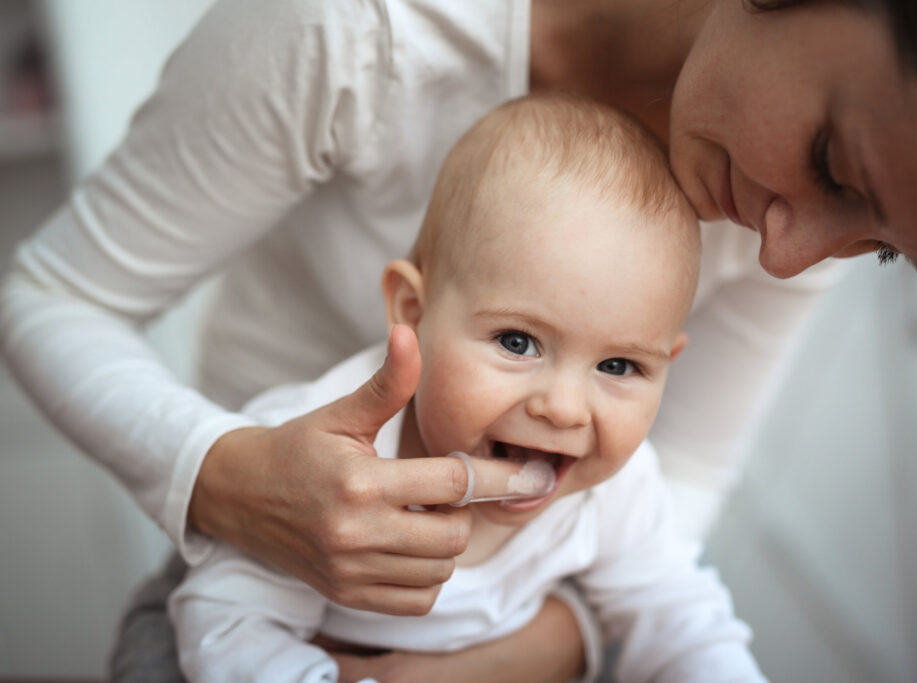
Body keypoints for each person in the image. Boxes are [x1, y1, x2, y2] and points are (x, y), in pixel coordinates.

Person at [0, 0, 917, 679]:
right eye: (836, 166)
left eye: (883, 249)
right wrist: (222, 475)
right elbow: (51, 296)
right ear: (406, 307)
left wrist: (538, 647)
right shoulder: (354, 30)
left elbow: (674, 551)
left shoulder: (608, 482)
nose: (794, 259)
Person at [169, 92, 763, 683]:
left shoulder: (616, 491)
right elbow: (226, 628)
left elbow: (680, 622)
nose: (563, 409)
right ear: (413, 312)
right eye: (517, 342)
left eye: (618, 367)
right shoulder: (313, 460)